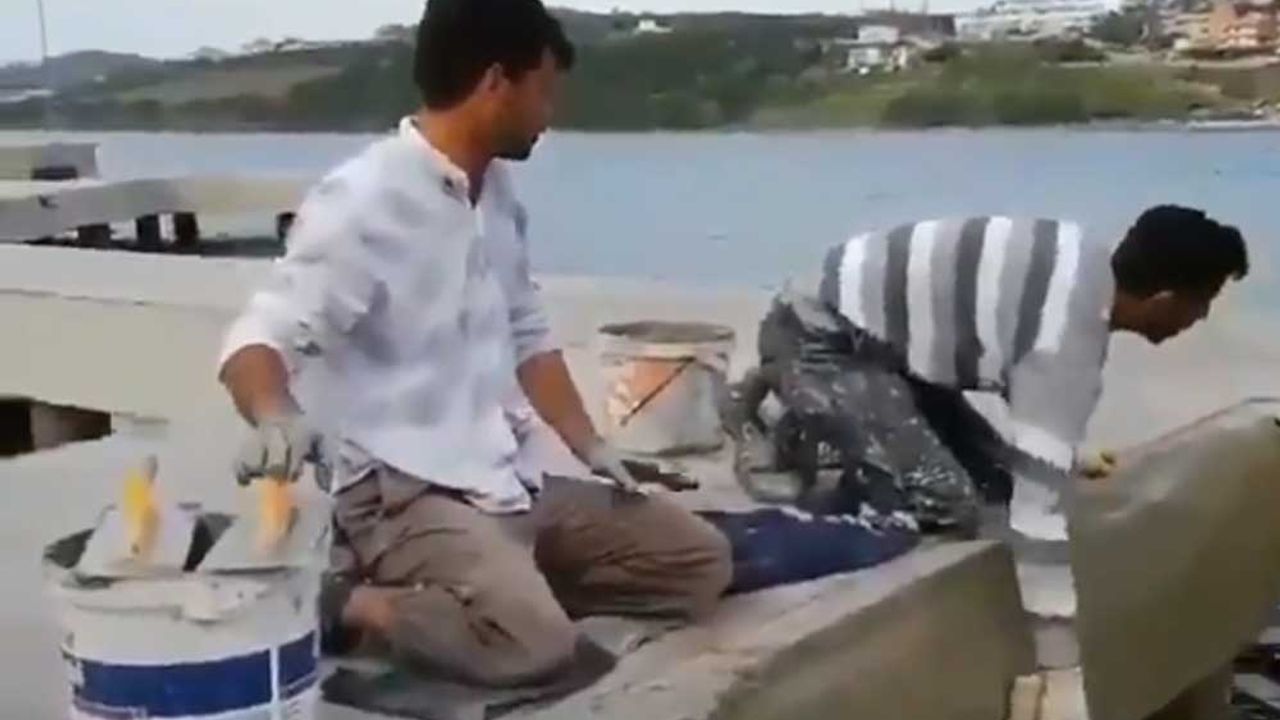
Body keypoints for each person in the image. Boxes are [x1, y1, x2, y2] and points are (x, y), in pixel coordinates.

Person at [218, 0, 730, 689]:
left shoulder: (496, 194)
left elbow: (528, 331)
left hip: (502, 477)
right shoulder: (364, 202)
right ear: (495, 83)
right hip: (403, 494)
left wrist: (593, 449)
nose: (549, 115)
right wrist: (275, 416)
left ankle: (497, 593)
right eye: (542, 92)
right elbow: (259, 337)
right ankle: (347, 603)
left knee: (697, 565)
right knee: (535, 646)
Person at [723, 207, 1249, 717]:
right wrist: (1062, 675)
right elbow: (1039, 522)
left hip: (888, 347)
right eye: (1201, 303)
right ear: (1163, 299)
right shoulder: (1067, 337)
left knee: (996, 484)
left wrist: (1063, 453)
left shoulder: (1083, 270)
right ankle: (782, 471)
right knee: (941, 505)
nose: (1201, 318)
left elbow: (1029, 390)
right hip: (819, 340)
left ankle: (844, 429)